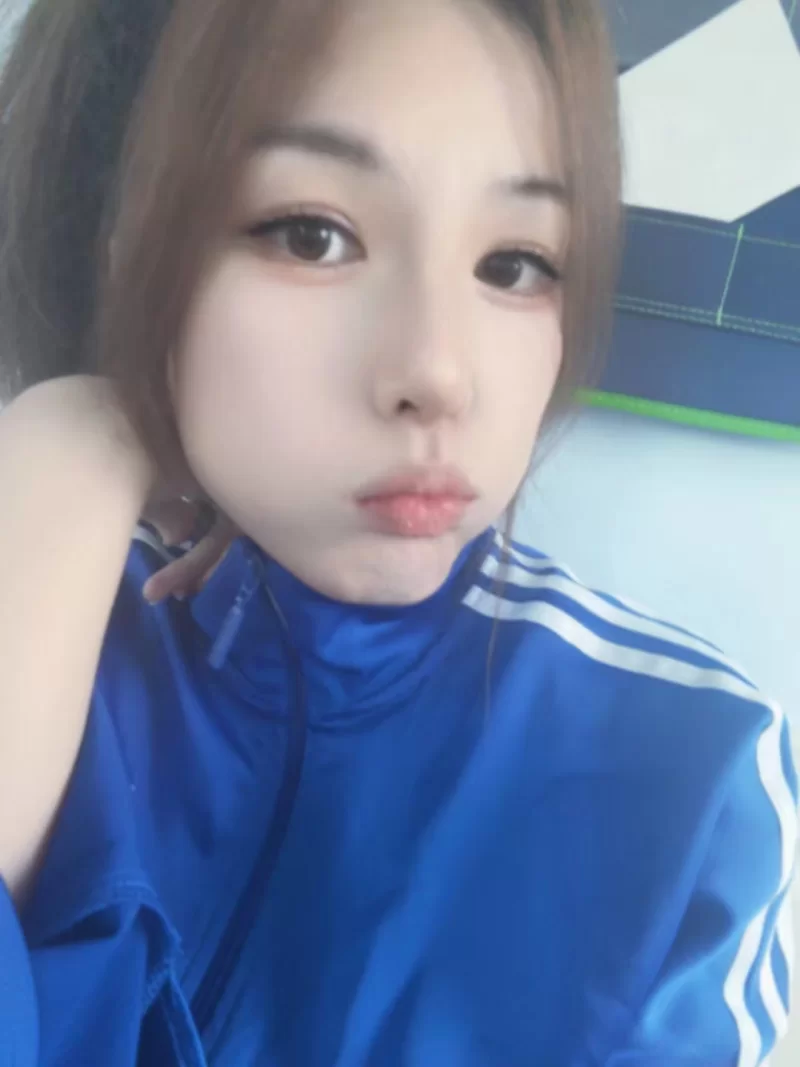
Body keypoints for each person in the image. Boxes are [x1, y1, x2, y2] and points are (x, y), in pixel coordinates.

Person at [0, 0, 796, 1064]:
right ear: (122, 256)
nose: (437, 373)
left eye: (514, 262)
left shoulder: (692, 776)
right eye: (312, 235)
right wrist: (72, 437)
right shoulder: (55, 603)